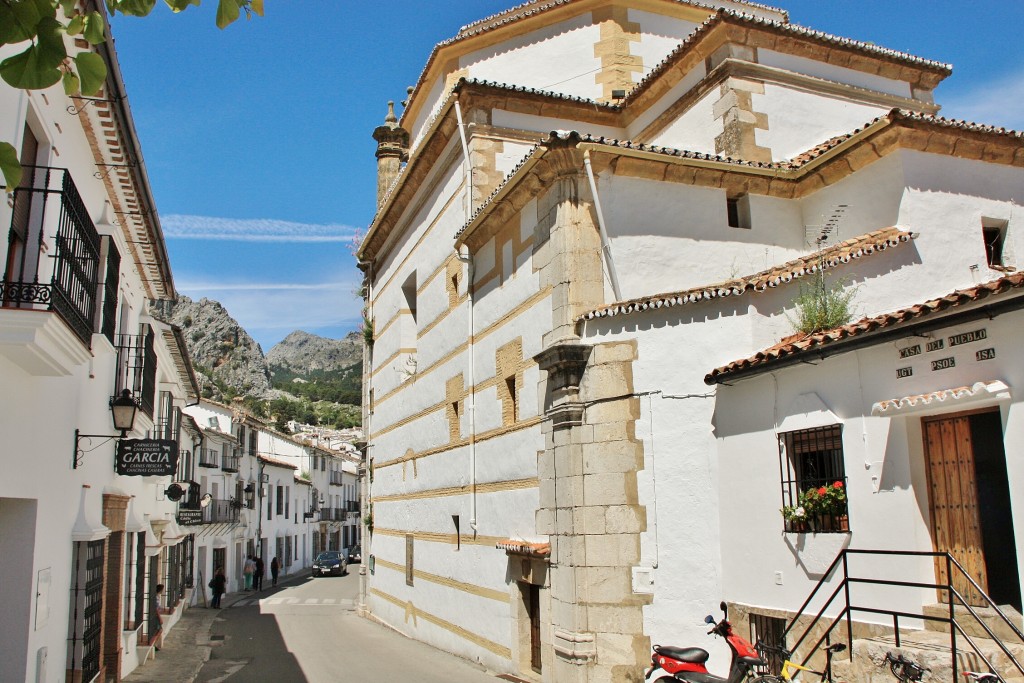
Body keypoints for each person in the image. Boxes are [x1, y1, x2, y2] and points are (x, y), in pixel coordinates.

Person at [153, 584, 164, 650]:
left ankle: (154, 644)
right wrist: (160, 618)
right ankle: (154, 644)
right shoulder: (156, 597)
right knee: (160, 630)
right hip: (156, 616)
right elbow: (156, 609)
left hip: (156, 615)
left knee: (158, 630)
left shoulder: (157, 596)